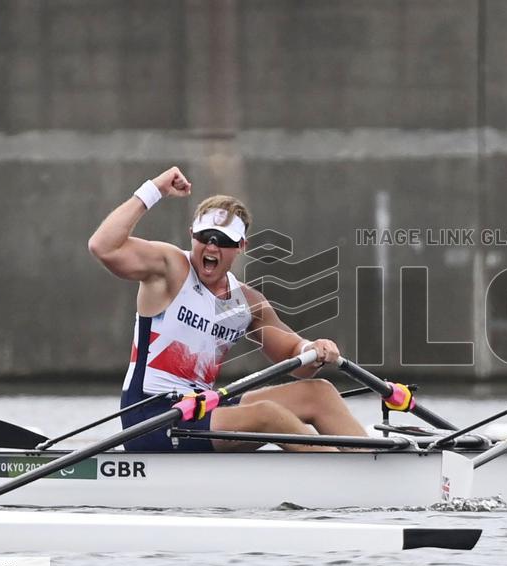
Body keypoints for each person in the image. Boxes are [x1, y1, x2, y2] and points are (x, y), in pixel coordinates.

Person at [88, 166, 368, 452]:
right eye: (205, 236)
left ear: (241, 246)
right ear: (192, 235)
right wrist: (156, 189)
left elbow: (297, 358)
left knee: (318, 393)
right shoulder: (169, 268)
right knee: (267, 415)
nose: (211, 246)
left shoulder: (247, 302)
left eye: (222, 240)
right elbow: (103, 246)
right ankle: (337, 471)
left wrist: (315, 347)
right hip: (151, 415)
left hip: (200, 409)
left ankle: (370, 460)